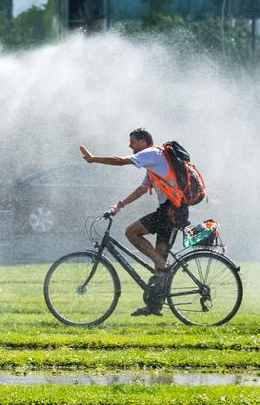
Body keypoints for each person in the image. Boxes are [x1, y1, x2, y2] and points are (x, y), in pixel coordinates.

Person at [79, 127, 188, 317]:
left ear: (143, 141)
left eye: (133, 142)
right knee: (159, 263)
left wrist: (93, 159)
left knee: (131, 232)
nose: (130, 146)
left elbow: (120, 161)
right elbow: (142, 189)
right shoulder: (155, 161)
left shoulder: (152, 153)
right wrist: (120, 205)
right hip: (174, 210)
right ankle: (154, 306)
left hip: (171, 210)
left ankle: (163, 267)